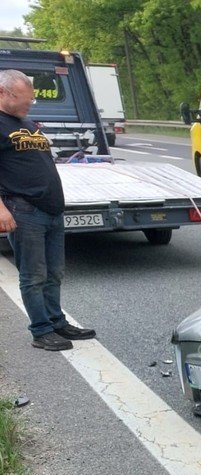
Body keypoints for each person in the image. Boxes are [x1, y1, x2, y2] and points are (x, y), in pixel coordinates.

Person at [0, 70, 95, 351]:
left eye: (31, 100)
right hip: (23, 210)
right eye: (25, 99)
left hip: (51, 210)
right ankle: (41, 331)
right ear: (3, 93)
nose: (30, 104)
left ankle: (56, 321)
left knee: (55, 272)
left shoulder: (26, 123)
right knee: (33, 275)